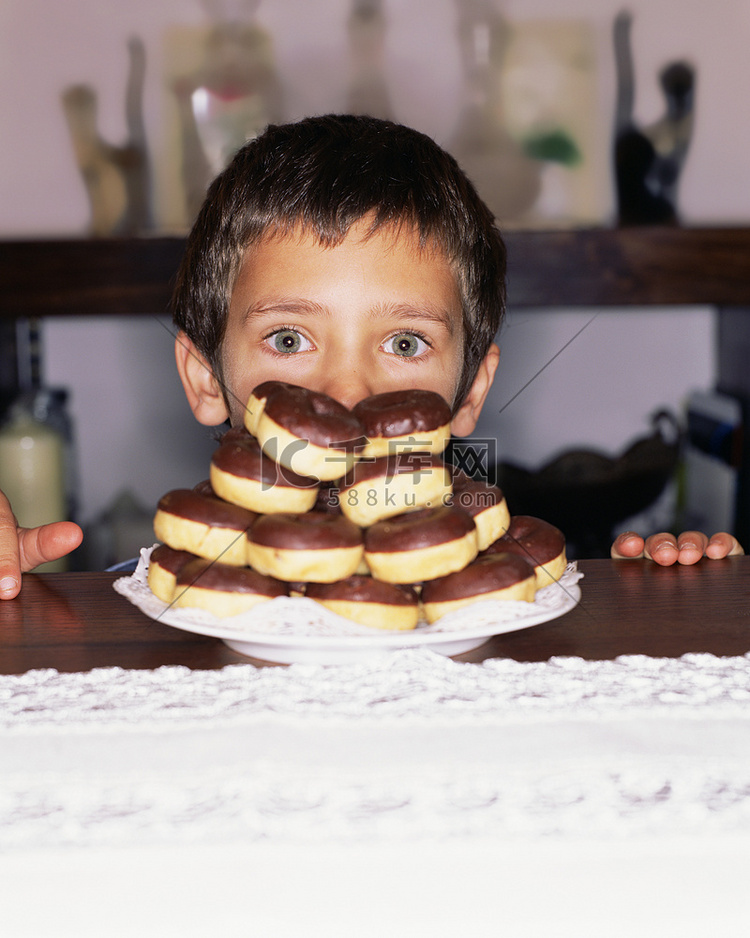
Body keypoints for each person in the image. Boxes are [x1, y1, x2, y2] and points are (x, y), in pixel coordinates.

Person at [0, 114, 742, 600]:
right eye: (289, 340)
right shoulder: (157, 588)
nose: (347, 392)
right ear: (204, 379)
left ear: (469, 392)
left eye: (403, 343)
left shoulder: (519, 588)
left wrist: (676, 589)